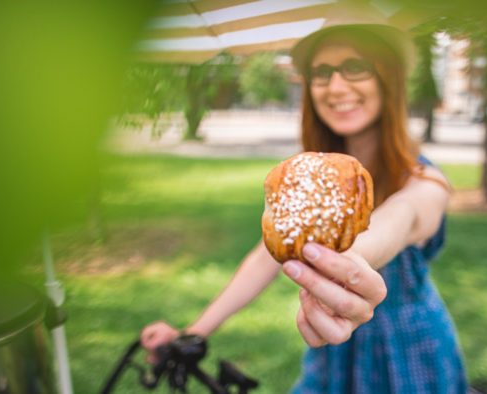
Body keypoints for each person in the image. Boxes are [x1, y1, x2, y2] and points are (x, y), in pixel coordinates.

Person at [141, 19, 467, 394]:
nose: (337, 86)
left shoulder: (425, 179)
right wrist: (194, 332)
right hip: (331, 354)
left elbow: (402, 218)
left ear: (387, 79)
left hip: (408, 353)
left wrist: (349, 258)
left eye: (355, 67)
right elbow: (265, 257)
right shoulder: (307, 183)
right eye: (321, 73)